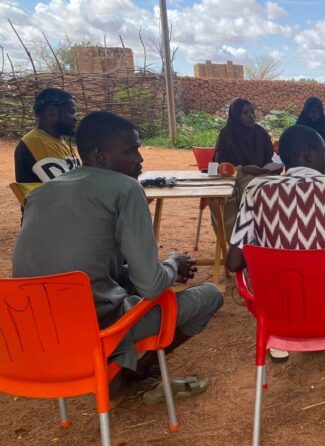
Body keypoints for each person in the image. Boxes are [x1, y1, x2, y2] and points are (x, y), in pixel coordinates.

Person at [13, 111, 223, 397]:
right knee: (210, 295)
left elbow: (85, 263)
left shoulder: (40, 193)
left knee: (132, 281)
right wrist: (173, 264)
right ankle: (131, 372)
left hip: (34, 332)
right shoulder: (126, 188)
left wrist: (160, 269)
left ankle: (119, 368)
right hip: (94, 330)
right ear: (101, 155)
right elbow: (150, 286)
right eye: (131, 150)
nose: (140, 159)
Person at [226, 124, 325, 362]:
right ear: (308, 154)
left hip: (277, 313)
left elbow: (234, 261)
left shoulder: (256, 190)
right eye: (324, 152)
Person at [213, 98, 280, 241]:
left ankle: (267, 237)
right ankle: (238, 240)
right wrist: (243, 169)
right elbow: (221, 166)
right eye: (245, 113)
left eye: (252, 112)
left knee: (277, 191)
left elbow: (269, 159)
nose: (251, 116)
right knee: (246, 193)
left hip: (262, 178)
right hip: (235, 179)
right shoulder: (227, 135)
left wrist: (272, 168)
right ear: (236, 116)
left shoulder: (260, 133)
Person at [14, 88, 81, 196]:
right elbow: (66, 191)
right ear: (52, 112)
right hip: (47, 211)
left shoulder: (60, 142)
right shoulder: (36, 142)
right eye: (71, 112)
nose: (75, 118)